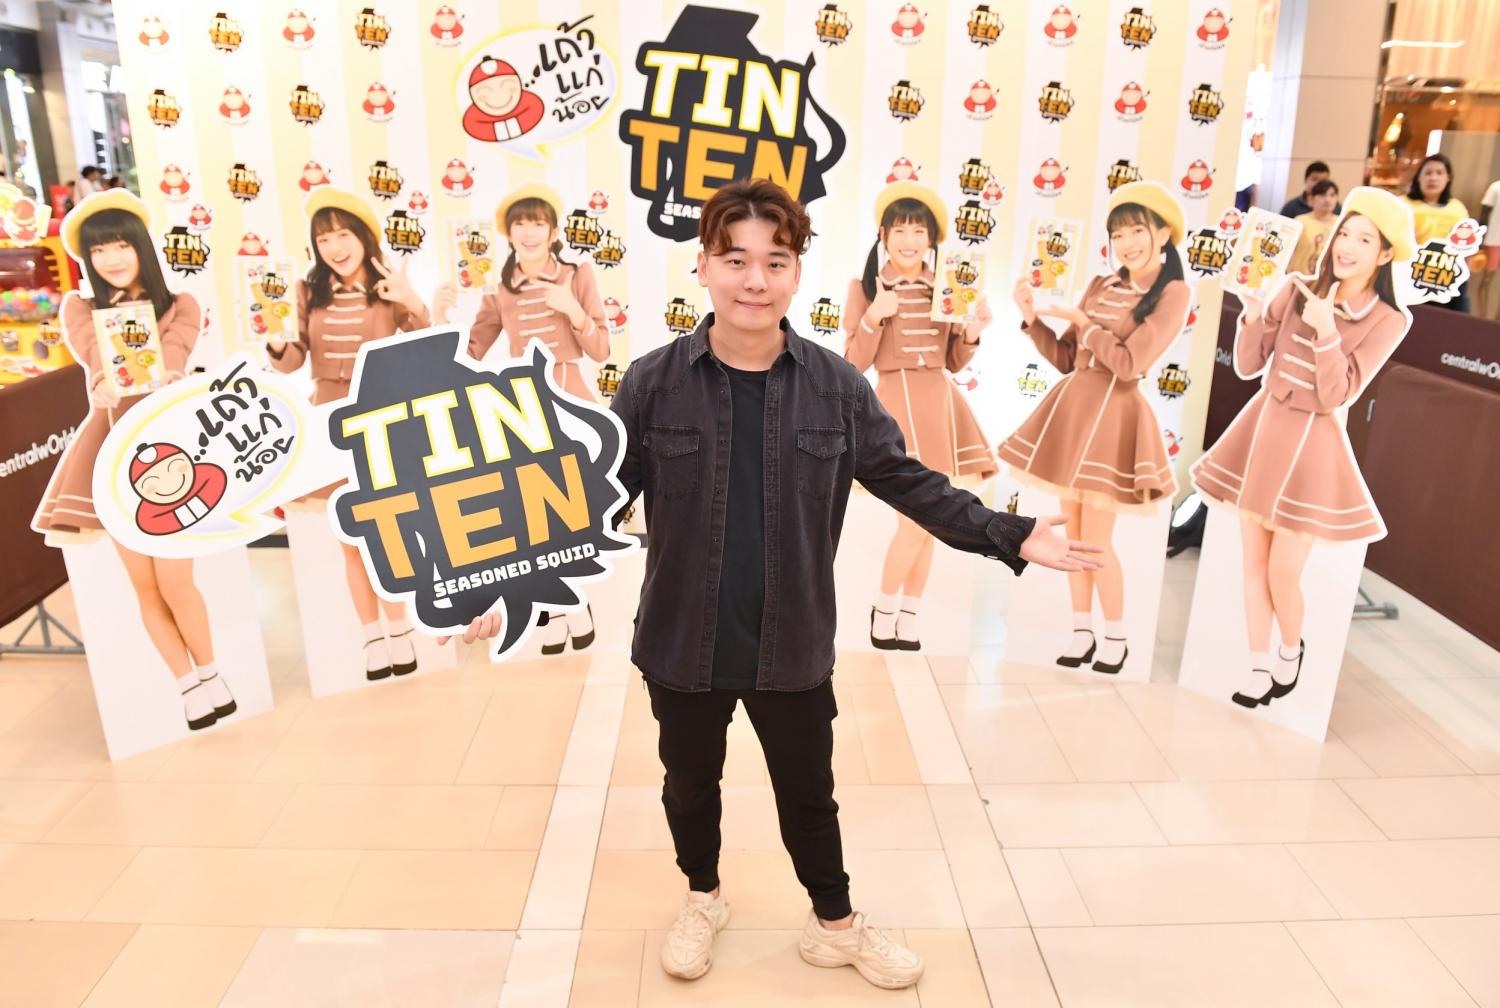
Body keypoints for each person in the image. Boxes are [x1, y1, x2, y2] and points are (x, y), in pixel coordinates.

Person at [445, 178, 1102, 989]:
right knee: (690, 787)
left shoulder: (835, 386)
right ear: (704, 267)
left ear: (796, 273)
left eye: (775, 261)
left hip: (790, 641)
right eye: (735, 260)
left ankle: (836, 925)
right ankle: (704, 897)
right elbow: (589, 502)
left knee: (808, 794)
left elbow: (908, 481)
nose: (754, 280)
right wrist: (497, 580)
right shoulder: (653, 383)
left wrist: (1010, 532)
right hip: (682, 639)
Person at [1192, 187, 1414, 708]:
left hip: (1313, 446)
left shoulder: (1389, 319)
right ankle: (1257, 667)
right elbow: (1249, 364)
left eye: (1365, 240)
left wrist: (1326, 331)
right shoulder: (1296, 287)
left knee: (1282, 571)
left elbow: (1339, 393)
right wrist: (1252, 313)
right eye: (1345, 233)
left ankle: (1290, 651)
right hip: (1263, 430)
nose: (1347, 247)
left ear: (1385, 254)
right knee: (1252, 566)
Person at [33, 190, 237, 731]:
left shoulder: (180, 305)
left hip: (171, 450)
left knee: (176, 582)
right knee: (145, 586)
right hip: (113, 451)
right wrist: (102, 382)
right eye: (99, 251)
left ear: (141, 247)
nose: (111, 258)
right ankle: (188, 687)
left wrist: (166, 373)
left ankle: (212, 674)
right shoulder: (81, 307)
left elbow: (175, 349)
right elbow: (91, 351)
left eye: (121, 245)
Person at [997, 180, 1191, 675]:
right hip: (1075, 411)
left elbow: (1130, 364)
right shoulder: (1101, 284)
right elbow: (1066, 358)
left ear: (1163, 233)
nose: (1127, 243)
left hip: (1115, 420)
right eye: (1118, 234)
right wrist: (1031, 319)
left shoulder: (1174, 292)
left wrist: (1086, 324)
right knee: (1074, 537)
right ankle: (1082, 632)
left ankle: (1117, 638)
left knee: (1098, 541)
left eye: (1137, 231)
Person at [433, 183, 609, 655]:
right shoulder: (499, 288)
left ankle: (575, 603)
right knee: (536, 516)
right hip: (523, 407)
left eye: (538, 223)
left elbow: (601, 349)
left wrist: (573, 309)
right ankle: (556, 610)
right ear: (508, 234)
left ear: (553, 232)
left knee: (572, 513)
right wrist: (440, 315)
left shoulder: (577, 274)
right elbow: (468, 354)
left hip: (569, 396)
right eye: (520, 223)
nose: (529, 232)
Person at [267, 188, 432, 683]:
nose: (334, 247)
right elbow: (292, 360)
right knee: (350, 540)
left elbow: (424, 342)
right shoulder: (307, 291)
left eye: (343, 234)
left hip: (380, 418)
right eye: (323, 239)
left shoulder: (387, 284)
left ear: (363, 237)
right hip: (327, 421)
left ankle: (401, 629)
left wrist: (411, 300)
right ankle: (372, 637)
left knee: (385, 531)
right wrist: (275, 339)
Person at [842, 182, 995, 651]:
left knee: (932, 523)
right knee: (914, 521)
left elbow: (954, 361)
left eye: (918, 231)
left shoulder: (949, 287)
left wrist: (972, 332)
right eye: (900, 230)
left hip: (940, 406)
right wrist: (874, 317)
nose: (909, 240)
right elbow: (851, 364)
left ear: (931, 239)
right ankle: (884, 609)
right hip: (894, 406)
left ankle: (907, 616)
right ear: (884, 235)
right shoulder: (865, 288)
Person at [1405, 153, 1471, 312]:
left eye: (1439, 173)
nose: (1433, 178)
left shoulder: (1458, 209)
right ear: (1418, 177)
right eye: (1428, 173)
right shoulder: (1403, 204)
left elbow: (1465, 246)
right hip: (1409, 273)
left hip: (1446, 276)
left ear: (1448, 178)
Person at [1290, 178, 1340, 276]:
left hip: (1327, 280)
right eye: (1322, 195)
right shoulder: (1301, 221)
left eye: (1332, 195)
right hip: (1300, 277)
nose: (1328, 199)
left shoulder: (1341, 223)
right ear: (1312, 199)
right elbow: (1287, 251)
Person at [1476, 178, 1500, 320]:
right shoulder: (1495, 187)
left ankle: (1497, 319)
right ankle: (1482, 316)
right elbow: (1484, 215)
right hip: (1493, 240)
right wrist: (1480, 240)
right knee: (1486, 279)